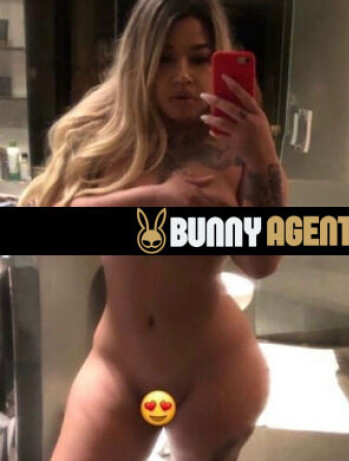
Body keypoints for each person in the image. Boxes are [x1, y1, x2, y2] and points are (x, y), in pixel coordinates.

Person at [18, 0, 288, 460]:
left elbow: (261, 263)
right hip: (118, 371)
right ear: (140, 62)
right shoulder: (106, 138)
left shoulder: (236, 150)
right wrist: (156, 200)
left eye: (198, 58)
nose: (182, 75)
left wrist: (262, 153)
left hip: (216, 371)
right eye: (164, 59)